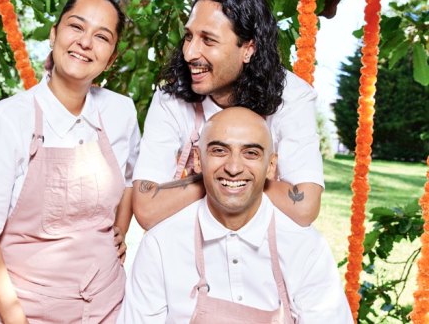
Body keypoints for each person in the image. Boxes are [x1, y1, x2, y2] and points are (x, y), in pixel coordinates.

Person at [0, 0, 140, 323]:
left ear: (111, 57)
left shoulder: (121, 111)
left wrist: (119, 230)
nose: (85, 42)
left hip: (111, 306)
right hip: (28, 312)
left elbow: (127, 180)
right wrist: (13, 316)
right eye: (76, 27)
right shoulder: (4, 122)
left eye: (102, 36)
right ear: (53, 35)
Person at [118, 107, 352, 323]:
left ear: (271, 166)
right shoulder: (161, 245)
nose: (233, 167)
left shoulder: (305, 247)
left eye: (251, 153)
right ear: (199, 161)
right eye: (219, 151)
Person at [133, 0, 323, 230]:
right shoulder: (171, 97)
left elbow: (304, 206)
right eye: (189, 36)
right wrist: (224, 177)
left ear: (248, 49)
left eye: (208, 40)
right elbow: (147, 209)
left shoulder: (293, 97)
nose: (190, 53)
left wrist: (210, 177)